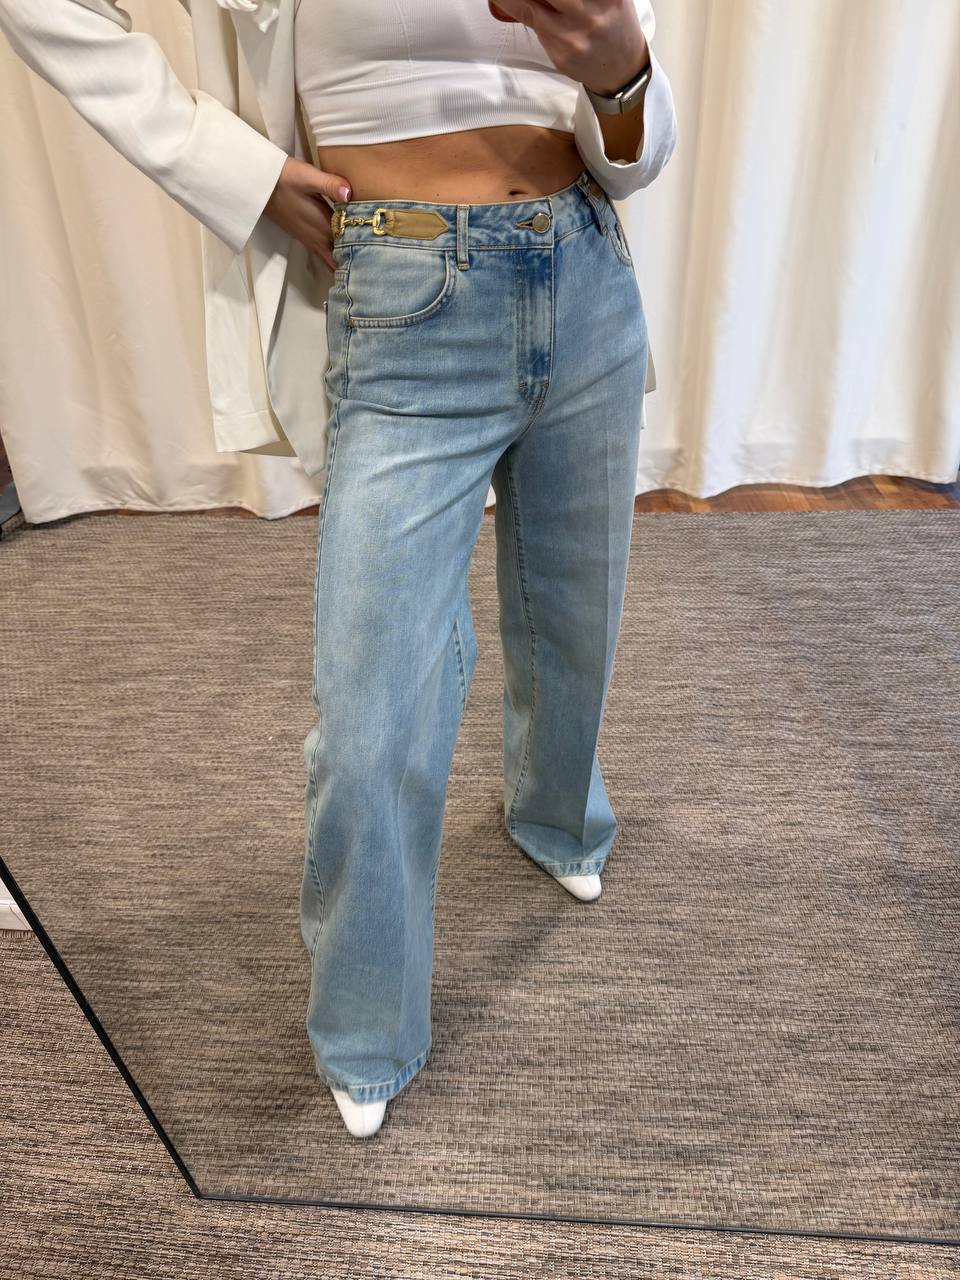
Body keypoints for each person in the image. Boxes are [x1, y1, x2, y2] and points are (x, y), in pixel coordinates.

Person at [0, 0, 678, 1139]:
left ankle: (558, 814)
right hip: (404, 291)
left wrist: (623, 72)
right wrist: (239, 170)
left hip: (587, 270)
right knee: (374, 706)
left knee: (576, 603)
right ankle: (369, 1022)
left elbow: (637, 155)